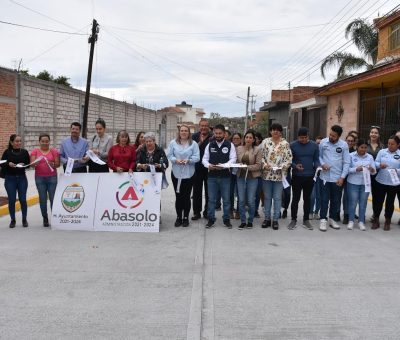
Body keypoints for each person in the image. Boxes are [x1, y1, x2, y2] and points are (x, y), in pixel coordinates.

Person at [202, 124, 237, 229]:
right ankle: (211, 219)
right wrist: (209, 165)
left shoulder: (230, 145)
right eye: (216, 133)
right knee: (211, 199)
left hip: (225, 177)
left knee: (226, 200)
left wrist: (224, 166)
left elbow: (233, 159)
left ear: (224, 134)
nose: (217, 135)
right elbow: (204, 159)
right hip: (212, 176)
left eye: (220, 133)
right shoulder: (210, 145)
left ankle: (226, 219)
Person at [260, 123, 292, 230]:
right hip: (267, 175)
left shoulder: (285, 144)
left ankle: (276, 220)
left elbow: (289, 159)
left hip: (279, 176)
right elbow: (261, 156)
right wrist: (265, 165)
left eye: (278, 130)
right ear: (270, 131)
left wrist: (281, 166)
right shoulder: (265, 142)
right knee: (267, 197)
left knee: (277, 198)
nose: (275, 132)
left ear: (280, 132)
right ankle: (267, 219)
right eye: (273, 129)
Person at [318, 125, 350, 232]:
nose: (331, 137)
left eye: (334, 136)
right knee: (324, 199)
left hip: (337, 178)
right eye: (330, 134)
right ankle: (323, 219)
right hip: (324, 177)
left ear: (339, 136)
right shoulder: (323, 142)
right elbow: (319, 156)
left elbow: (346, 162)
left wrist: (342, 177)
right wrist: (322, 164)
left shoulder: (344, 145)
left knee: (335, 200)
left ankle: (332, 219)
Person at [167, 125, 200, 227]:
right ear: (179, 132)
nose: (184, 132)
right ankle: (178, 217)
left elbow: (197, 157)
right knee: (178, 196)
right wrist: (176, 160)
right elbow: (169, 155)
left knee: (186, 197)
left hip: (189, 174)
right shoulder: (173, 143)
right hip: (176, 174)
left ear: (189, 132)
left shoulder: (193, 144)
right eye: (182, 131)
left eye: (186, 131)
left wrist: (188, 161)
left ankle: (185, 217)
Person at [287, 127, 319, 230]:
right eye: (301, 138)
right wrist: (295, 166)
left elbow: (316, 159)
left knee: (307, 199)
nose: (303, 140)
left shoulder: (314, 145)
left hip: (309, 176)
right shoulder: (292, 145)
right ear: (298, 137)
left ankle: (306, 220)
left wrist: (318, 168)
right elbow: (289, 160)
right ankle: (293, 220)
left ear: (308, 136)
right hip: (297, 176)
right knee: (295, 198)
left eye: (305, 137)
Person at [30, 133, 60, 227]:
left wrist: (53, 164)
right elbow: (31, 164)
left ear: (49, 142)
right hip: (40, 178)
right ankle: (45, 218)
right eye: (42, 141)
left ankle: (54, 217)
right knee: (42, 199)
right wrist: (35, 163)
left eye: (46, 141)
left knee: (53, 199)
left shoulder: (54, 151)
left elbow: (58, 164)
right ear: (39, 142)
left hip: (52, 178)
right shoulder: (35, 151)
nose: (45, 143)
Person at [1, 134, 30, 228]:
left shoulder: (25, 152)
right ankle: (13, 220)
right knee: (12, 200)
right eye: (17, 141)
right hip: (10, 179)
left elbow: (28, 165)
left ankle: (24, 219)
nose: (19, 143)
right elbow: (1, 164)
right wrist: (8, 163)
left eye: (20, 141)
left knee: (22, 200)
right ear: (11, 142)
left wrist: (23, 164)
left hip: (22, 178)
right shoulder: (7, 152)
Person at [372, 135, 400, 231]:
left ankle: (387, 220)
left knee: (390, 203)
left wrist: (397, 170)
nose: (390, 145)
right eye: (388, 143)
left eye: (392, 144)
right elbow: (375, 163)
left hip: (393, 183)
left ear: (398, 145)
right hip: (380, 181)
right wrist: (380, 165)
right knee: (378, 202)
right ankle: (376, 219)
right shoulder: (382, 152)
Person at [347, 139, 376, 231]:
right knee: (352, 203)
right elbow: (347, 169)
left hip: (365, 184)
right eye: (361, 147)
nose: (363, 149)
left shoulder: (370, 157)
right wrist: (356, 169)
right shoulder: (351, 156)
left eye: (365, 148)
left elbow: (374, 172)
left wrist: (372, 170)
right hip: (353, 183)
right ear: (357, 147)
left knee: (363, 204)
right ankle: (351, 221)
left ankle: (361, 221)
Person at [236, 130, 262, 229]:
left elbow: (259, 165)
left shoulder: (257, 150)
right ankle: (243, 221)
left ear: (254, 139)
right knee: (241, 200)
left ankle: (250, 220)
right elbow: (235, 161)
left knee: (251, 200)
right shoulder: (239, 148)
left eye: (250, 137)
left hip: (252, 178)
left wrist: (247, 167)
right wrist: (238, 165)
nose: (248, 139)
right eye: (247, 137)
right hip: (241, 177)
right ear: (244, 138)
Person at [191, 119, 213, 220]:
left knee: (209, 192)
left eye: (206, 126)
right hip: (196, 168)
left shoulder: (213, 137)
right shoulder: (194, 137)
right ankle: (196, 212)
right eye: (202, 126)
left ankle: (207, 212)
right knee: (196, 191)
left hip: (209, 168)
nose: (203, 128)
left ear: (209, 127)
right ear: (199, 126)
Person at [367, 126, 384, 223]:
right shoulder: (365, 144)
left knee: (377, 196)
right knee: (363, 196)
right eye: (372, 132)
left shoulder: (382, 147)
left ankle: (375, 215)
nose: (373, 134)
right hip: (365, 175)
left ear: (379, 135)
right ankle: (360, 215)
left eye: (376, 133)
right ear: (369, 134)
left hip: (377, 175)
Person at [342, 133, 357, 224]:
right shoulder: (342, 150)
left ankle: (347, 214)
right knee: (338, 196)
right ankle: (336, 213)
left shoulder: (355, 152)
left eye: (352, 141)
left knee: (348, 197)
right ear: (345, 141)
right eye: (348, 141)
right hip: (340, 176)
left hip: (350, 177)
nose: (350, 142)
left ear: (354, 142)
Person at [230, 132, 242, 219]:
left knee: (239, 194)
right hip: (230, 174)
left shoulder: (243, 148)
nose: (236, 140)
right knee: (230, 193)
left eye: (238, 138)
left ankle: (238, 211)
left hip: (240, 173)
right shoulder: (229, 148)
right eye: (234, 139)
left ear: (241, 139)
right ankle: (230, 210)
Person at [310, 136, 322, 219]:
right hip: (312, 177)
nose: (318, 145)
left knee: (319, 196)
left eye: (320, 143)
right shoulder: (312, 152)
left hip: (322, 177)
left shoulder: (325, 154)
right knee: (312, 195)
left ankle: (317, 212)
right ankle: (310, 212)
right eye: (317, 143)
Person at [254, 132, 264, 218]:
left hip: (259, 174)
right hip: (248, 174)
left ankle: (255, 210)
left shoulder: (262, 148)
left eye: (255, 138)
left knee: (257, 193)